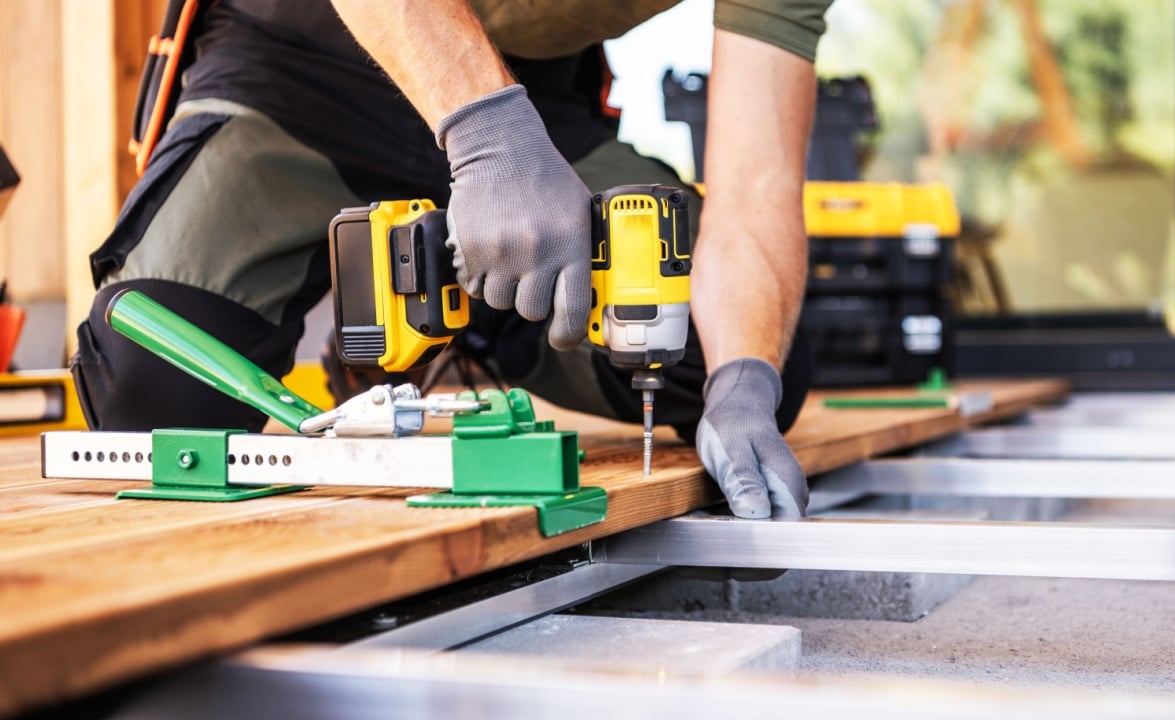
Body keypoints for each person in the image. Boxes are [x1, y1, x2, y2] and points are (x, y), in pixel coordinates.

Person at [72, 0, 830, 519]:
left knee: (726, 348)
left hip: (530, 87)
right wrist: (488, 134)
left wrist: (743, 379)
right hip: (297, 58)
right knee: (153, 402)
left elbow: (757, 181)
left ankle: (469, 317)